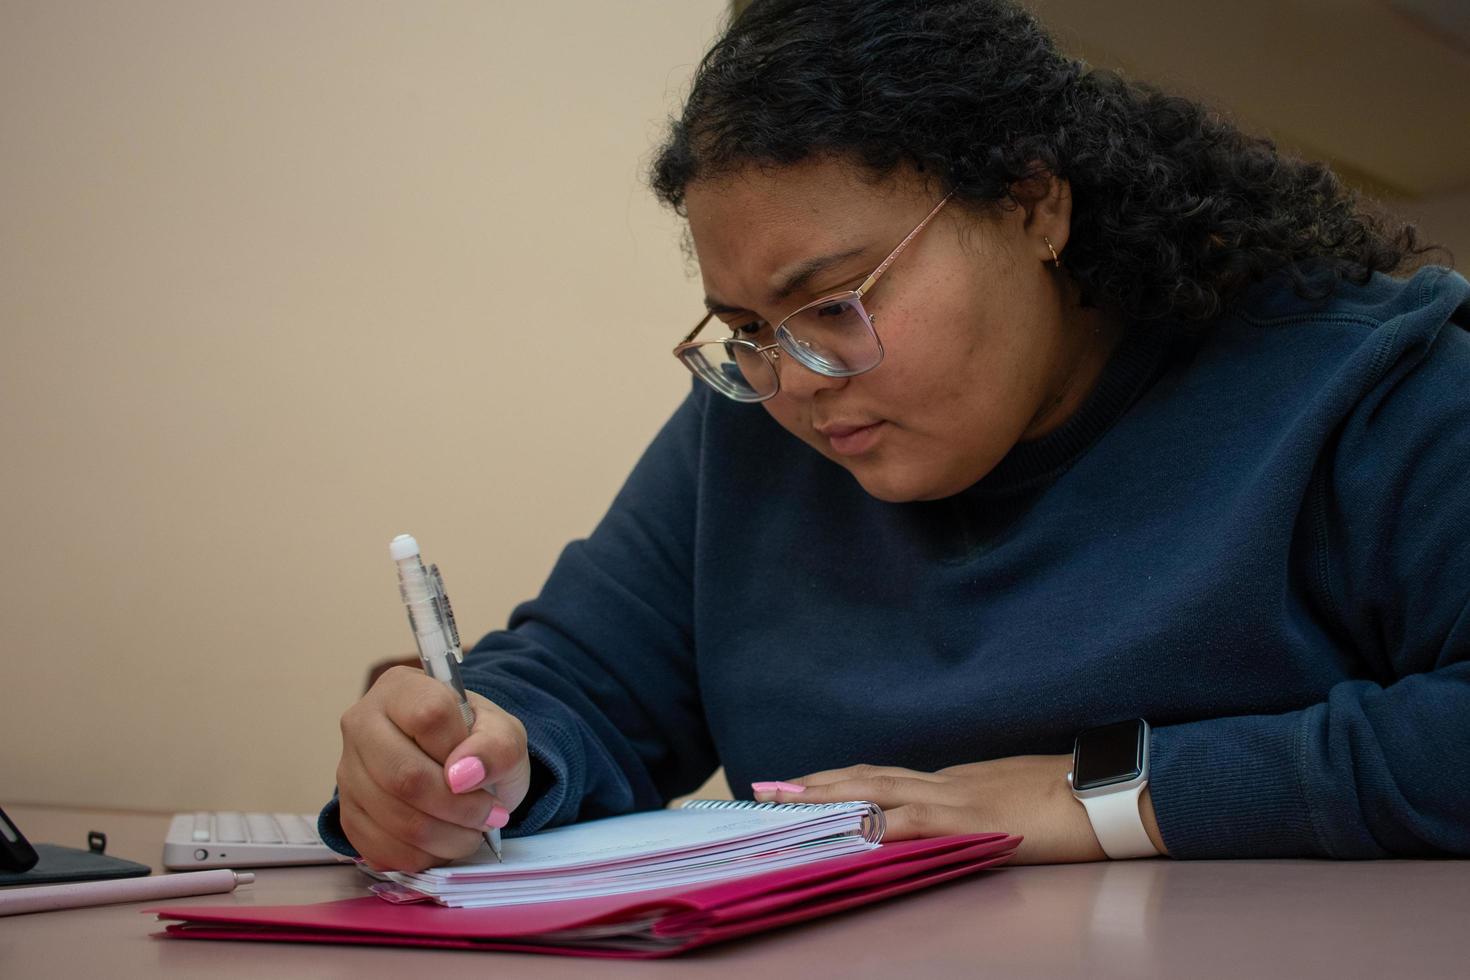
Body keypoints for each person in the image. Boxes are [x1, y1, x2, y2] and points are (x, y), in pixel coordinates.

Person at [323, 0, 1470, 870]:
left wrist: (1102, 795)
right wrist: (481, 749)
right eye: (747, 329)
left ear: (1032, 202)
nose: (798, 382)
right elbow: (586, 677)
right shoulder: (759, 431)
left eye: (834, 303)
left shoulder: (1367, 389)